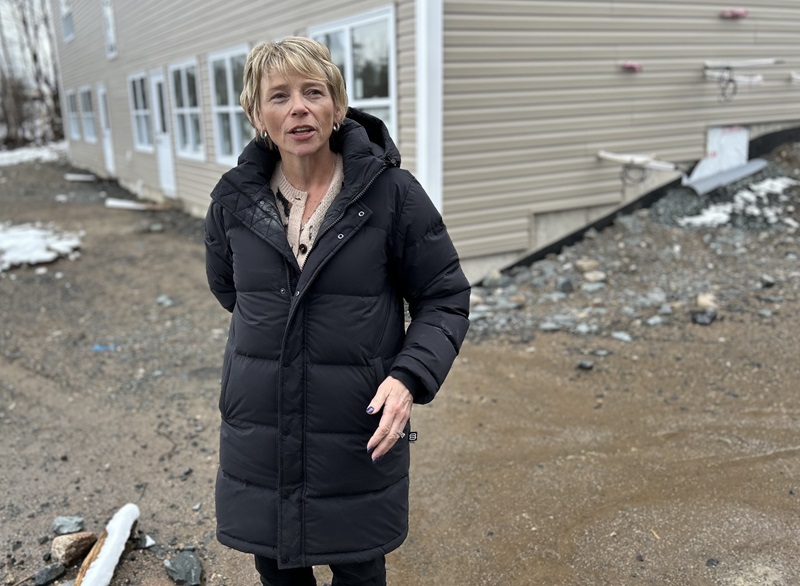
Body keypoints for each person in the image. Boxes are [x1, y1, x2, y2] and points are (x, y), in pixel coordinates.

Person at [204, 37, 470, 586]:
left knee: (358, 566)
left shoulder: (392, 194)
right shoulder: (232, 202)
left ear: (338, 107)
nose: (298, 107)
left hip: (355, 427)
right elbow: (230, 291)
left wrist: (406, 377)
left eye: (313, 92)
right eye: (278, 95)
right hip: (262, 431)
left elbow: (444, 296)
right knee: (276, 567)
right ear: (257, 113)